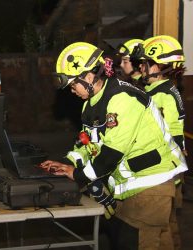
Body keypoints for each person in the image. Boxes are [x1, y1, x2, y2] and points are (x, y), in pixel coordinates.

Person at [40, 42, 187, 249]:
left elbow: (110, 153)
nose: (72, 90)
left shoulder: (122, 99)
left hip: (151, 185)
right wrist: (66, 163)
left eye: (73, 84)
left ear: (89, 76)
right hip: (135, 187)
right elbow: (88, 143)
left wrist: (78, 175)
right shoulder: (91, 103)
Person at [134, 34, 187, 250]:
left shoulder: (161, 96)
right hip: (172, 167)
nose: (142, 69)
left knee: (154, 230)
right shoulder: (163, 90)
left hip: (164, 169)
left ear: (160, 67)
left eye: (146, 64)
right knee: (167, 225)